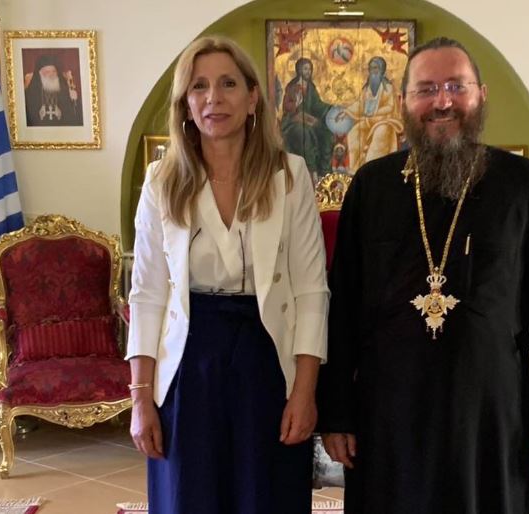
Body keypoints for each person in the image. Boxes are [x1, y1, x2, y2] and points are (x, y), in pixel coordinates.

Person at [317, 37, 529, 514]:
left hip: (492, 411)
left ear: (481, 95)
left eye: (456, 86)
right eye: (426, 89)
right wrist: (337, 411)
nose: (442, 102)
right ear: (404, 101)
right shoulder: (372, 187)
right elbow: (342, 311)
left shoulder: (523, 185)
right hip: (390, 411)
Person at [126, 35, 329, 514]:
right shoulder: (161, 181)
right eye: (199, 86)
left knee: (265, 497)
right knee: (189, 497)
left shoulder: (289, 175)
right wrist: (140, 398)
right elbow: (147, 294)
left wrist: (304, 392)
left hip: (266, 358)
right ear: (185, 103)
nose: (213, 98)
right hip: (187, 363)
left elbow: (311, 291)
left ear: (253, 96)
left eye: (228, 84)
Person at [336, 56, 404, 174]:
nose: (373, 71)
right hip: (368, 121)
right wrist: (346, 111)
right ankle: (355, 170)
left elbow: (389, 107)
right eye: (371, 68)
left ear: (382, 70)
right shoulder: (367, 89)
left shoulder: (388, 88)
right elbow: (359, 105)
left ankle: (374, 171)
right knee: (354, 133)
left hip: (385, 121)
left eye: (376, 68)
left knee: (380, 133)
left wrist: (374, 113)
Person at [280, 58, 334, 178]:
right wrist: (296, 104)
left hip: (308, 120)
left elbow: (317, 105)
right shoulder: (292, 87)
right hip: (292, 121)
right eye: (305, 69)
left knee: (327, 133)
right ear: (299, 70)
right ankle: (311, 171)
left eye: (309, 69)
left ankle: (324, 172)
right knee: (305, 133)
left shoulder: (310, 87)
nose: (308, 71)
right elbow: (286, 107)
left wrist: (330, 108)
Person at [24, 54, 83, 127]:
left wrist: (74, 100)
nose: (51, 74)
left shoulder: (65, 90)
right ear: (40, 74)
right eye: (47, 72)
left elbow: (73, 115)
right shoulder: (31, 93)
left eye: (54, 71)